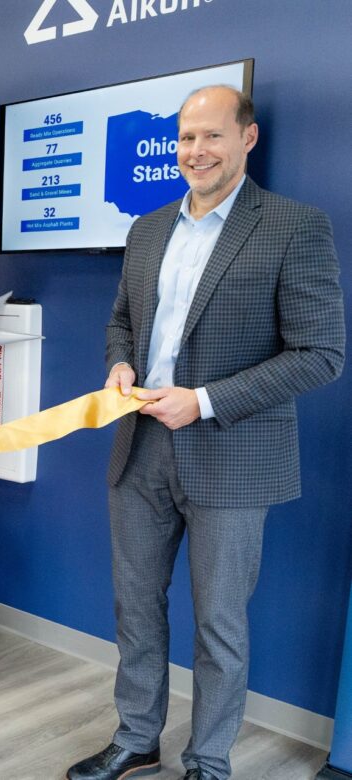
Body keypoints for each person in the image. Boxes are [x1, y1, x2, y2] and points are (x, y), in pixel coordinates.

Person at [67, 86, 344, 780]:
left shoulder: (293, 226)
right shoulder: (148, 228)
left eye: (212, 136)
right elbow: (122, 321)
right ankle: (137, 738)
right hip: (139, 447)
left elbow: (321, 354)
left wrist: (206, 401)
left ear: (247, 139)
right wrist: (120, 363)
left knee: (220, 623)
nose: (196, 151)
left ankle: (209, 760)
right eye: (187, 138)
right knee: (135, 608)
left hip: (233, 453)